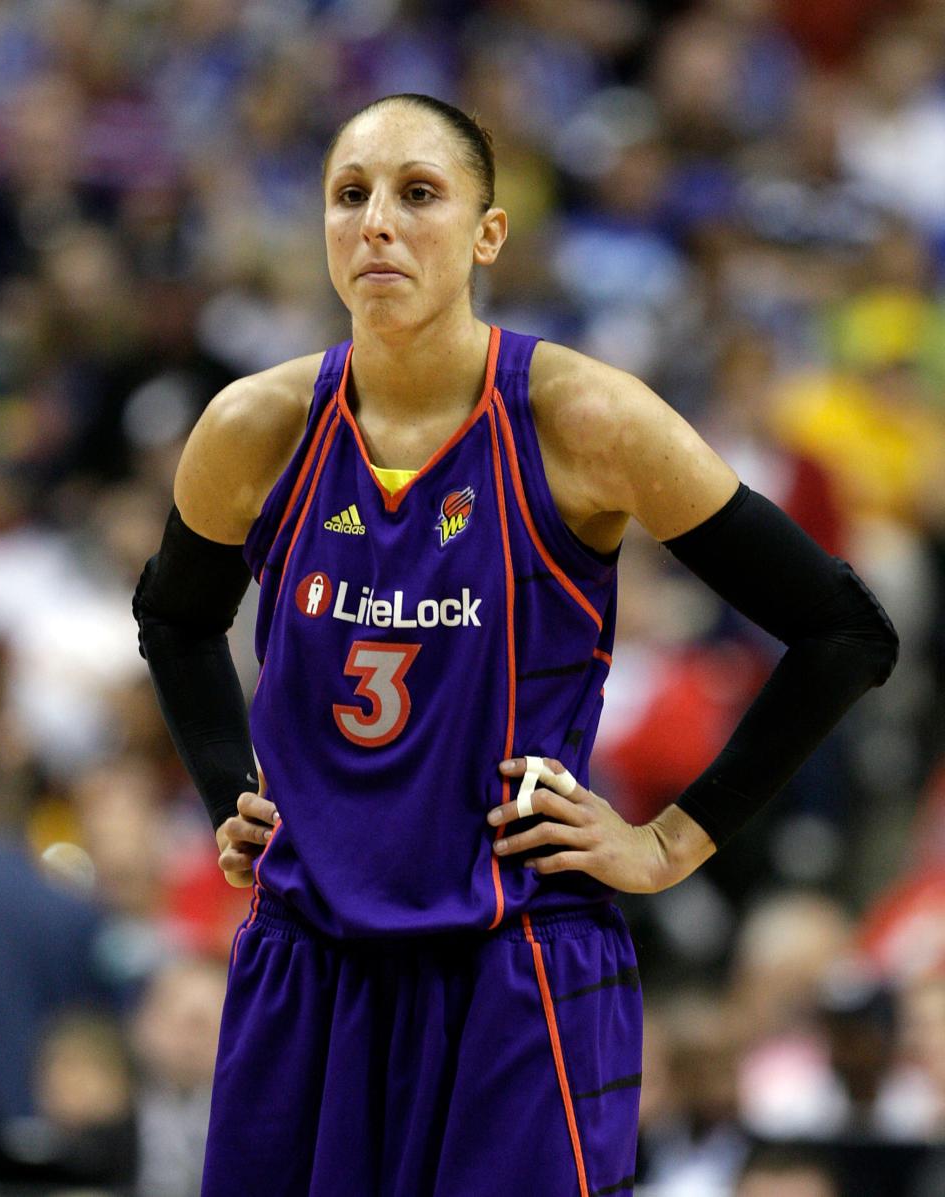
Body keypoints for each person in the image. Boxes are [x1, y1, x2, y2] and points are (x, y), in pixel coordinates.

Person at [134, 93, 899, 1197]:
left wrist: (671, 842)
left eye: (418, 194)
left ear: (489, 234)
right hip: (304, 965)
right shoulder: (254, 426)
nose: (377, 224)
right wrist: (224, 793)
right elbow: (174, 618)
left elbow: (844, 631)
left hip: (513, 966)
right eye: (350, 196)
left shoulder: (584, 418)